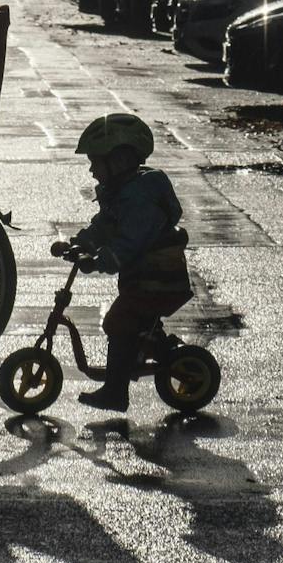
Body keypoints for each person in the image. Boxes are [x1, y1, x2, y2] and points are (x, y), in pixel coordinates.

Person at [67, 113, 193, 412]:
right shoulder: (121, 193)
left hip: (158, 280)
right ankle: (160, 351)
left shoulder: (140, 200)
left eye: (96, 161)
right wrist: (81, 242)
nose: (92, 169)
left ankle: (115, 392)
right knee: (138, 328)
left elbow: (129, 240)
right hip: (145, 279)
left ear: (120, 161)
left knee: (118, 322)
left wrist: (101, 260)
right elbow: (104, 226)